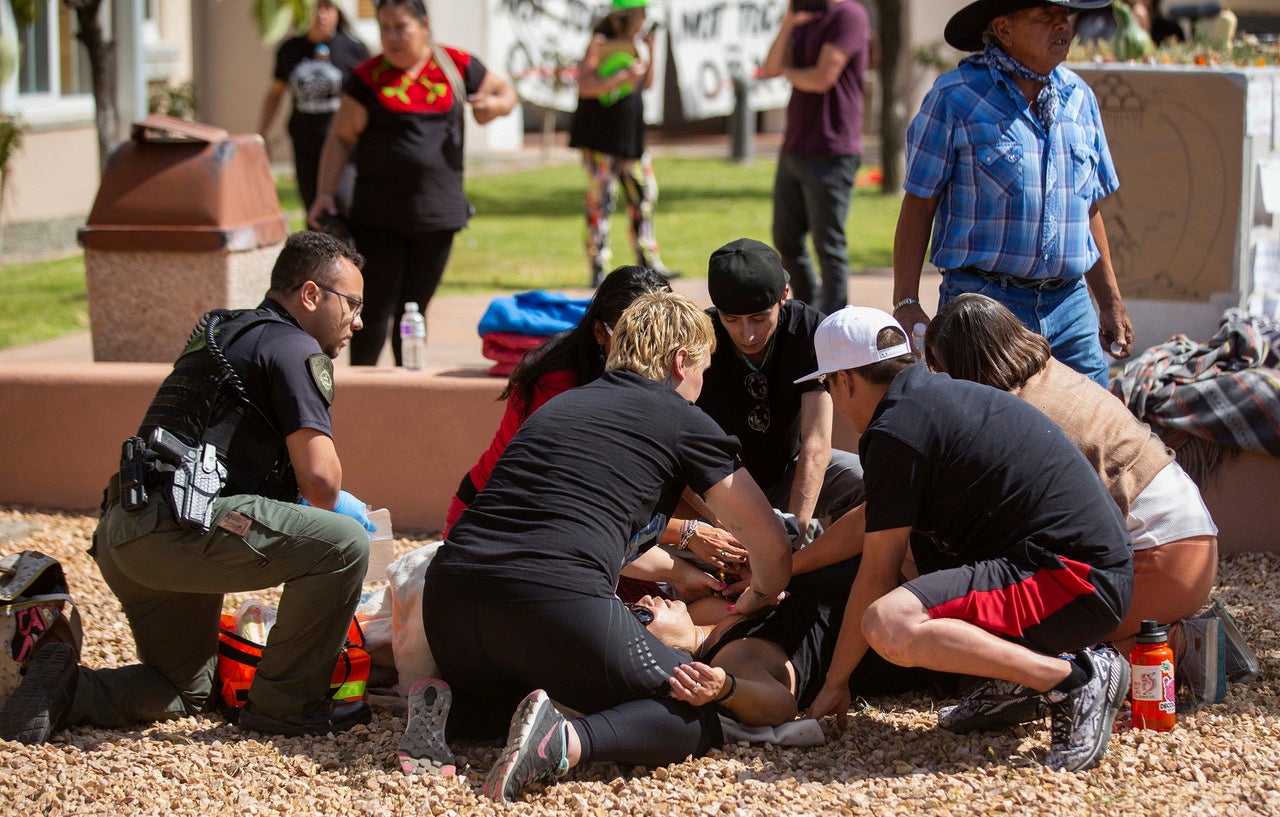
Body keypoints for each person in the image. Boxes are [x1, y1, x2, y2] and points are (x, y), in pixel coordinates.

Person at [400, 290, 793, 802]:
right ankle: (565, 743)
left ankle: (453, 713)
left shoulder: (564, 404)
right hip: (547, 600)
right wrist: (761, 593)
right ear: (680, 362)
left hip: (452, 601)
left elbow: (583, 529)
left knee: (531, 697)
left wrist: (676, 572)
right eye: (704, 368)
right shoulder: (681, 418)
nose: (702, 383)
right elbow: (773, 546)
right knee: (693, 710)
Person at [0, 232, 378, 744]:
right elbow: (321, 484)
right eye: (351, 304)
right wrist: (345, 504)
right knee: (345, 543)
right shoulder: (294, 346)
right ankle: (285, 706)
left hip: (123, 533)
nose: (358, 320)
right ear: (311, 296)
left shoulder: (226, 330)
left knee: (182, 688)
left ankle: (66, 688)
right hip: (181, 528)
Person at [801, 306, 1133, 773]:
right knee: (928, 559)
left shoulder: (895, 430)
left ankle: (1073, 678)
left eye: (829, 386)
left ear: (846, 381)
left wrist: (836, 682)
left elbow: (876, 572)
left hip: (1074, 581)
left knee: (890, 622)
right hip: (1083, 565)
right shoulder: (927, 399)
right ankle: (1017, 681)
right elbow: (870, 518)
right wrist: (793, 566)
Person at [924, 293, 1218, 662]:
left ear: (965, 367)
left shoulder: (1013, 416)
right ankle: (1177, 635)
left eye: (943, 371)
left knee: (1031, 652)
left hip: (1163, 557)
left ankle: (1181, 644)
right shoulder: (1051, 373)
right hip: (1190, 537)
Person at [891, 0, 1133, 388]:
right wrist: (906, 302)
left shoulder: (1078, 97)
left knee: (1095, 431)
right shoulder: (955, 97)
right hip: (985, 304)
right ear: (1003, 29)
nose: (1062, 26)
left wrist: (1110, 302)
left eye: (1064, 16)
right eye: (1045, 16)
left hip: (1070, 306)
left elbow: (1088, 208)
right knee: (985, 436)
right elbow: (920, 203)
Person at [308, 0, 517, 367]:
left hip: (438, 216)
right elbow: (341, 138)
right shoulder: (367, 76)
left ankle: (409, 393)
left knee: (415, 312)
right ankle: (364, 394)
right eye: (384, 27)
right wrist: (325, 193)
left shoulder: (455, 65)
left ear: (424, 25)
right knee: (372, 312)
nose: (391, 37)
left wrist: (492, 106)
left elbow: (506, 93)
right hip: (378, 217)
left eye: (400, 27)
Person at [634, 560, 949, 729]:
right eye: (640, 615)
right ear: (661, 651)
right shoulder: (731, 660)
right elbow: (781, 705)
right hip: (920, 604)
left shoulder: (700, 614)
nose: (646, 599)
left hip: (892, 564)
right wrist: (727, 689)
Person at [694, 238, 864, 544]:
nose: (747, 335)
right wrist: (716, 524)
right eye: (731, 320)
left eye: (759, 318)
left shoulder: (809, 328)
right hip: (723, 485)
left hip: (790, 471)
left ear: (784, 296)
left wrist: (793, 533)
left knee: (865, 483)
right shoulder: (699, 338)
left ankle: (830, 565)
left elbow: (816, 443)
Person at [761, 0, 871, 316]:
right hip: (795, 146)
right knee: (786, 239)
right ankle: (810, 312)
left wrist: (788, 72)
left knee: (829, 247)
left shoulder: (849, 15)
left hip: (833, 151)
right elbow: (770, 68)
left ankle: (835, 321)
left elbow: (823, 77)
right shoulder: (803, 17)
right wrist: (787, 25)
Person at [569, 0, 673, 287]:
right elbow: (586, 85)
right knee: (600, 202)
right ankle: (598, 264)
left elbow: (646, 84)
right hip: (601, 138)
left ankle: (648, 260)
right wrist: (622, 76)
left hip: (631, 137)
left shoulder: (637, 42)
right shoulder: (601, 42)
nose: (645, 19)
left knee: (644, 196)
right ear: (628, 15)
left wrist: (650, 52)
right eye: (641, 13)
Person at [257, 0, 369, 214]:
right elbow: (275, 94)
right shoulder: (290, 50)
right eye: (315, 8)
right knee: (314, 210)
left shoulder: (354, 50)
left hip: (344, 144)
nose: (321, 15)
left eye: (328, 7)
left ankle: (348, 247)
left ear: (337, 11)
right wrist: (263, 133)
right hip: (305, 143)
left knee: (344, 204)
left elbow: (368, 98)